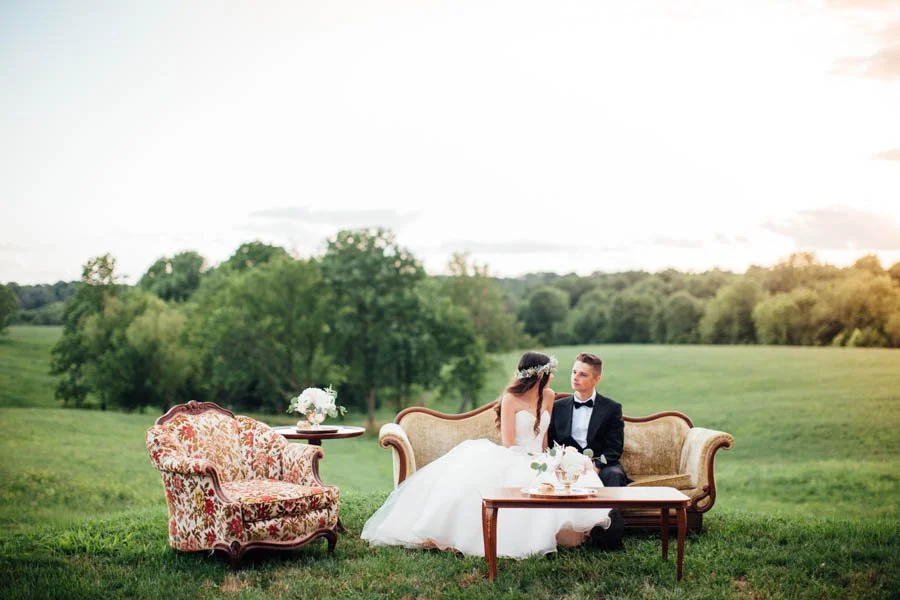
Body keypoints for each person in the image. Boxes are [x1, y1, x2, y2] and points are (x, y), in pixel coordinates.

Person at [361, 351, 613, 558]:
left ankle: (574, 534)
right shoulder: (511, 399)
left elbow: (544, 437)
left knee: (569, 478)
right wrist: (532, 461)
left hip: (540, 457)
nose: (554, 376)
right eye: (550, 372)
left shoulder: (548, 395)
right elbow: (509, 442)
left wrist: (550, 458)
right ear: (538, 374)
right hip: (515, 455)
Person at [548, 352, 628, 548]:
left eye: (583, 374)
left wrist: (597, 466)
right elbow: (550, 442)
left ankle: (609, 536)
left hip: (601, 463)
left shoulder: (611, 408)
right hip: (566, 464)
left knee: (614, 474)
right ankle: (566, 536)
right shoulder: (557, 407)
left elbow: (614, 447)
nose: (575, 377)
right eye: (574, 372)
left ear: (596, 379)